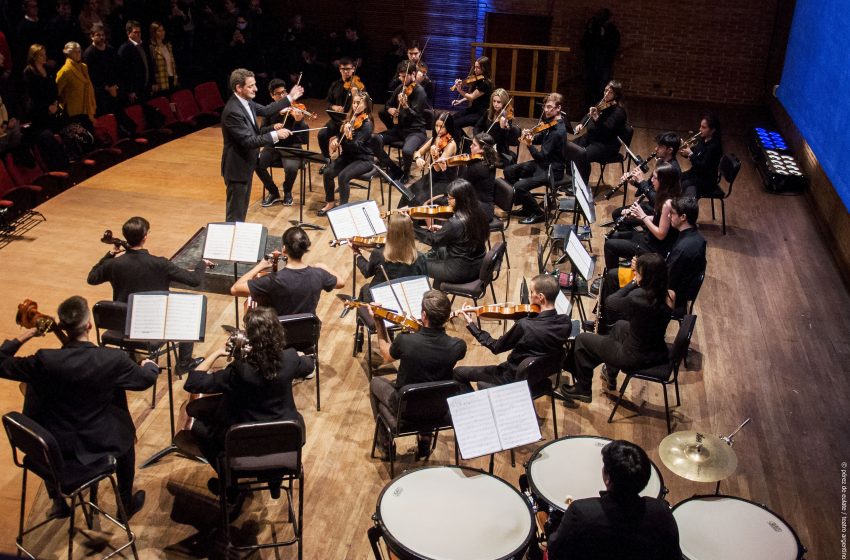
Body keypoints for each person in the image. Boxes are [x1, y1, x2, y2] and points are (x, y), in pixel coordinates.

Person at [0, 295, 158, 518]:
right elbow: (145, 380)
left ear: (62, 325)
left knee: (38, 409)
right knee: (125, 432)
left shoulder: (45, 360)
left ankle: (57, 501)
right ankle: (125, 504)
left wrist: (30, 331)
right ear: (89, 325)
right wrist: (149, 365)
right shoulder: (113, 359)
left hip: (53, 445)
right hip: (97, 442)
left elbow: (1, 361)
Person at [183, 307, 313, 487]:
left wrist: (218, 352)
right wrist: (299, 356)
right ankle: (274, 479)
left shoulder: (239, 371)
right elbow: (309, 365)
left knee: (198, 428)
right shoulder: (290, 359)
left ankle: (230, 486)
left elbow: (193, 383)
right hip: (285, 439)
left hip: (245, 442)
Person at [87, 216, 208, 372]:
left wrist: (110, 254)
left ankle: (129, 355)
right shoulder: (160, 264)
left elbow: (92, 278)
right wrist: (202, 264)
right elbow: (194, 280)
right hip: (154, 325)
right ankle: (184, 363)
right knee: (191, 311)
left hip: (123, 324)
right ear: (145, 237)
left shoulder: (113, 264)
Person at [560, 253, 673, 402]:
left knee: (582, 340)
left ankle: (583, 389)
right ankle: (611, 374)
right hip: (657, 349)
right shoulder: (670, 295)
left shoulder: (638, 298)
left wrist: (633, 282)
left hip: (634, 357)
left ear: (646, 277)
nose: (636, 275)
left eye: (638, 273)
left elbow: (611, 302)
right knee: (620, 325)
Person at [369, 289, 466, 457]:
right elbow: (433, 349)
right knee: (430, 388)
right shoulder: (458, 346)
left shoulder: (406, 341)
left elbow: (386, 355)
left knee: (375, 383)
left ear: (423, 315)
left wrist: (378, 321)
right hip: (438, 408)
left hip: (405, 408)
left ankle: (385, 444)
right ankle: (424, 442)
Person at [547, 439, 681, 560]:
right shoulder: (661, 512)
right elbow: (673, 556)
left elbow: (555, 552)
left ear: (608, 479)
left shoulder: (582, 512)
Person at [454, 274, 571, 390]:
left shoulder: (525, 326)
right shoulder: (565, 322)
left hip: (512, 376)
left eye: (531, 292)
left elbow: (495, 346)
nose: (529, 297)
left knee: (458, 373)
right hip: (539, 374)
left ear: (540, 297)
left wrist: (471, 325)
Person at [220, 67, 303, 223]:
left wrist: (290, 98)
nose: (255, 89)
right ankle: (231, 243)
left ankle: (235, 240)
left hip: (245, 165)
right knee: (235, 214)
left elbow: (266, 110)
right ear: (239, 88)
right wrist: (275, 134)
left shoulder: (246, 102)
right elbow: (249, 141)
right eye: (251, 86)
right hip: (237, 168)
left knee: (241, 210)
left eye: (255, 85)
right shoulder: (233, 111)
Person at [231, 226, 344, 317]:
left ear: (284, 249)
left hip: (278, 338)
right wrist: (323, 266)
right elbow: (340, 282)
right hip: (307, 337)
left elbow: (235, 289)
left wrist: (259, 266)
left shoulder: (273, 280)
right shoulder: (318, 274)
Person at [503, 92, 567, 224]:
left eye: (550, 107)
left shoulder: (557, 131)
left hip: (552, 169)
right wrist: (531, 137)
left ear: (558, 108)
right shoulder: (551, 124)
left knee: (519, 186)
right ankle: (528, 207)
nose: (546, 110)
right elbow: (541, 138)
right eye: (545, 107)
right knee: (509, 171)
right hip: (543, 163)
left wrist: (529, 145)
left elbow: (541, 156)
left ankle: (539, 213)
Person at [603, 162, 681, 270]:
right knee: (611, 237)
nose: (652, 180)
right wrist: (638, 216)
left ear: (664, 181)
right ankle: (620, 270)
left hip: (653, 248)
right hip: (648, 238)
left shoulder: (668, 203)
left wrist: (643, 216)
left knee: (610, 246)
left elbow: (661, 234)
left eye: (655, 178)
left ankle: (613, 277)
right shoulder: (663, 196)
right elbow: (659, 219)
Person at [418, 178, 489, 289]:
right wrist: (444, 230)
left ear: (460, 199)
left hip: (460, 272)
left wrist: (411, 228)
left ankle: (432, 300)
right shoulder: (479, 211)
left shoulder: (455, 223)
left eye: (450, 198)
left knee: (417, 264)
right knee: (438, 251)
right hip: (478, 265)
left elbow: (433, 240)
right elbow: (466, 235)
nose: (447, 200)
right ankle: (438, 290)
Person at [318, 90, 374, 215]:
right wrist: (337, 140)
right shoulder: (350, 118)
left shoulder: (367, 124)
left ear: (366, 105)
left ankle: (344, 208)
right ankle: (330, 203)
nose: (355, 106)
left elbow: (356, 147)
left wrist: (349, 136)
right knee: (327, 172)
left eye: (359, 103)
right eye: (354, 103)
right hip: (348, 156)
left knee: (343, 176)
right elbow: (339, 136)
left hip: (363, 159)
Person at [255, 79, 309, 207]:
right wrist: (273, 127)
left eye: (284, 92)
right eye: (278, 94)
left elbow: (302, 134)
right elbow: (261, 131)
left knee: (291, 169)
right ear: (272, 96)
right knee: (257, 165)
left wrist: (299, 121)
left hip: (291, 145)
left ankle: (287, 191)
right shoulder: (269, 110)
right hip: (273, 145)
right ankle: (273, 192)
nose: (283, 96)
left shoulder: (294, 108)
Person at [565, 80, 627, 186]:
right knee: (569, 149)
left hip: (606, 144)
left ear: (616, 95)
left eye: (610, 92)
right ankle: (569, 181)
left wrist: (597, 118)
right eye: (605, 90)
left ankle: (581, 185)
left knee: (582, 156)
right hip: (593, 138)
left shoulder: (619, 112)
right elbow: (589, 114)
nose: (606, 93)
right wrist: (581, 123)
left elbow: (607, 130)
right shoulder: (602, 103)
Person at [375, 60, 428, 183]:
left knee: (407, 151)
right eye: (400, 76)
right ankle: (393, 169)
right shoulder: (401, 88)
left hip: (416, 131)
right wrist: (390, 110)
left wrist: (405, 107)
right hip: (400, 129)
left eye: (404, 76)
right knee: (374, 139)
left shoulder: (420, 92)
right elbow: (388, 104)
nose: (402, 79)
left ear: (413, 74)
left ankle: (406, 174)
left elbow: (416, 116)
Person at [401, 112, 457, 207]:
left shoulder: (450, 145)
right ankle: (406, 218)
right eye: (436, 125)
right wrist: (418, 159)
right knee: (407, 194)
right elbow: (417, 152)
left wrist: (434, 156)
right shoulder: (435, 138)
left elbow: (438, 168)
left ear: (448, 126)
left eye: (442, 127)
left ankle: (418, 220)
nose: (438, 129)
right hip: (431, 176)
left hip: (443, 182)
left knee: (418, 201)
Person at [317, 58, 359, 170]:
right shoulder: (335, 85)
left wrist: (355, 94)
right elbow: (328, 102)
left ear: (353, 69)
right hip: (336, 121)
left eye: (348, 69)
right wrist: (334, 107)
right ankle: (327, 160)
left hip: (352, 122)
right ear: (340, 70)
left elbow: (364, 104)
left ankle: (346, 161)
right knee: (322, 134)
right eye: (343, 69)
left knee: (347, 140)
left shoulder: (358, 85)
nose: (346, 72)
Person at [450, 56, 493, 148]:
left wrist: (459, 90)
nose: (475, 70)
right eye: (475, 67)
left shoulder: (485, 83)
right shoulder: (478, 79)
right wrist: (460, 101)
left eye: (478, 67)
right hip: (473, 109)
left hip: (481, 114)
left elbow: (472, 97)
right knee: (451, 120)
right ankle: (466, 143)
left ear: (484, 68)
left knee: (455, 124)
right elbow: (473, 95)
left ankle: (462, 146)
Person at [681, 113, 723, 198]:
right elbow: (695, 153)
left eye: (704, 127)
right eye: (700, 126)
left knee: (683, 186)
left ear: (713, 130)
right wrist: (685, 150)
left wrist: (691, 154)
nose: (700, 129)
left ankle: (679, 207)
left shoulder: (714, 147)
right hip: (696, 173)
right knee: (676, 177)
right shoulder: (703, 139)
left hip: (706, 180)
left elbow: (702, 167)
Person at [473, 88, 518, 165]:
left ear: (504, 103)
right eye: (494, 101)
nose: (496, 104)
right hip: (486, 145)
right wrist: (476, 138)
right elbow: (477, 126)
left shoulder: (507, 118)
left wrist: (502, 128)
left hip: (498, 150)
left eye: (499, 102)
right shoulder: (488, 113)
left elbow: (503, 140)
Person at [55, 42, 97, 125]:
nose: (78, 54)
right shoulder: (65, 71)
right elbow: (56, 91)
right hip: (73, 113)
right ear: (68, 53)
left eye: (79, 51)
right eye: (75, 52)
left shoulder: (83, 67)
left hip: (86, 109)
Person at [459, 132, 498, 220]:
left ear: (482, 150)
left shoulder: (478, 167)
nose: (470, 146)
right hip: (483, 205)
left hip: (480, 210)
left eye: (474, 145)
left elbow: (459, 185)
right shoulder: (488, 161)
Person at [117, 20, 151, 103]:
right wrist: (130, 90)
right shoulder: (124, 49)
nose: (139, 34)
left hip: (146, 87)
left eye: (140, 32)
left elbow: (149, 64)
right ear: (128, 33)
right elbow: (124, 72)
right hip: (135, 90)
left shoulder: (144, 45)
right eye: (135, 32)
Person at [149, 21, 178, 94]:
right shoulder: (152, 48)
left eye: (163, 30)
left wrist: (175, 75)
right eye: (159, 31)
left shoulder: (168, 45)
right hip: (161, 81)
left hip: (171, 79)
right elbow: (151, 66)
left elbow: (172, 63)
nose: (162, 33)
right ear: (154, 33)